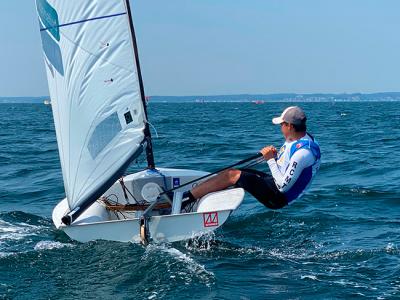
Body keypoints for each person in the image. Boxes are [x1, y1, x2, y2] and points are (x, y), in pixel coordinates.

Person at [182, 106, 321, 210]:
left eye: (281, 125)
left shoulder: (303, 153)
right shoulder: (298, 137)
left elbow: (283, 187)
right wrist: (276, 156)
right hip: (275, 182)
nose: (280, 128)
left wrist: (270, 160)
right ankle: (201, 201)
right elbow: (288, 163)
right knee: (235, 172)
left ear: (290, 126)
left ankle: (185, 199)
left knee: (232, 176)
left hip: (279, 197)